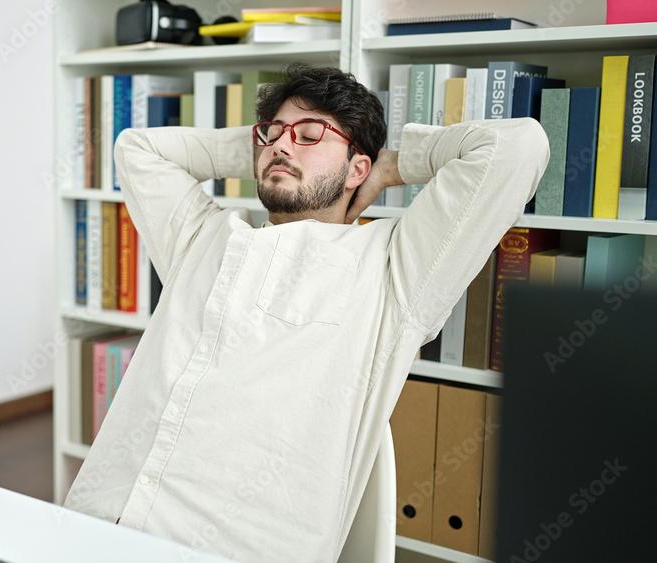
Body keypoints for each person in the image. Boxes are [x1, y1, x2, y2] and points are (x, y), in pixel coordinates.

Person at [62, 62, 549, 562]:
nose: (280, 145)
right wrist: (274, 145)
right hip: (95, 521)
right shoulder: (202, 238)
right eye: (271, 133)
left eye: (311, 133)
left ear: (358, 167)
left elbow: (517, 148)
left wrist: (392, 164)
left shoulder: (395, 272)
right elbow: (138, 149)